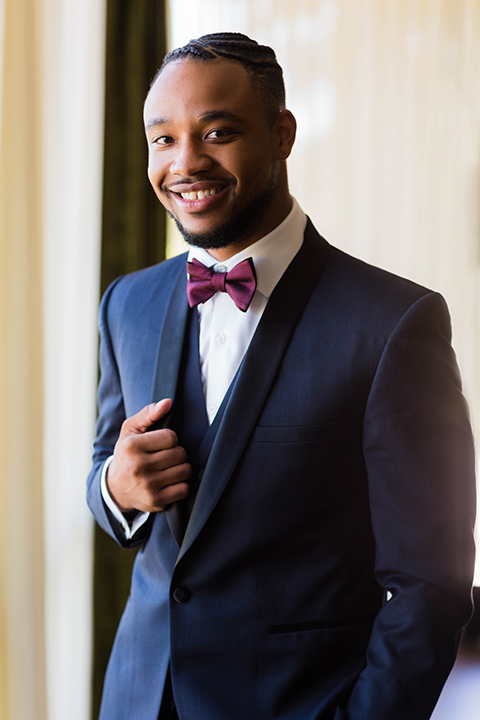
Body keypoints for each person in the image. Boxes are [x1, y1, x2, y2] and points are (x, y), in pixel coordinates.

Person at [87, 32, 476, 720]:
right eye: (162, 139)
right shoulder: (128, 302)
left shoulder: (394, 323)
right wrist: (117, 488)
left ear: (282, 133)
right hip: (138, 701)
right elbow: (103, 471)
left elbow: (430, 584)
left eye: (218, 131)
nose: (185, 162)